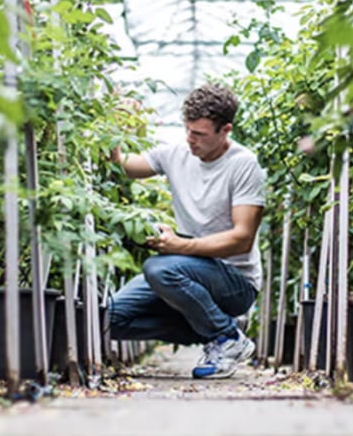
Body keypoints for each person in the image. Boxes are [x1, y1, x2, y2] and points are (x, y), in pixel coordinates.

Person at [108, 83, 266, 379]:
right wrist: (113, 121)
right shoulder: (176, 154)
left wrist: (178, 246)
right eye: (188, 130)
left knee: (159, 268)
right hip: (189, 270)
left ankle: (225, 336)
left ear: (225, 130)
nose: (191, 140)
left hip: (235, 283)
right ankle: (218, 331)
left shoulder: (244, 165)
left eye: (200, 134)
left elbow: (242, 240)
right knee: (108, 319)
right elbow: (121, 166)